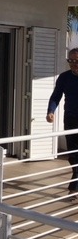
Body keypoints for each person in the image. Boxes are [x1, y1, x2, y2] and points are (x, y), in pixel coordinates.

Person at [47, 47, 78, 193]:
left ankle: (74, 187)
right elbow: (56, 96)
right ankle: (75, 181)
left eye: (76, 61)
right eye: (70, 61)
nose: (73, 64)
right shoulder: (64, 77)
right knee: (72, 154)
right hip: (71, 120)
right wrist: (51, 111)